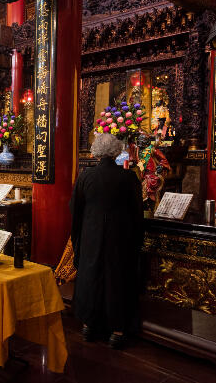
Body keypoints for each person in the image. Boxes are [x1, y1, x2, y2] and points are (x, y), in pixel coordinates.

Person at [69, 133, 144, 349]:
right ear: (116, 152)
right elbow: (136, 212)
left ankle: (88, 326)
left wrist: (79, 238)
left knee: (91, 277)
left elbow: (75, 209)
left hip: (91, 235)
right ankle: (117, 331)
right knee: (117, 280)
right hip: (119, 238)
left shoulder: (86, 176)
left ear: (95, 152)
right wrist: (136, 239)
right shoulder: (128, 177)